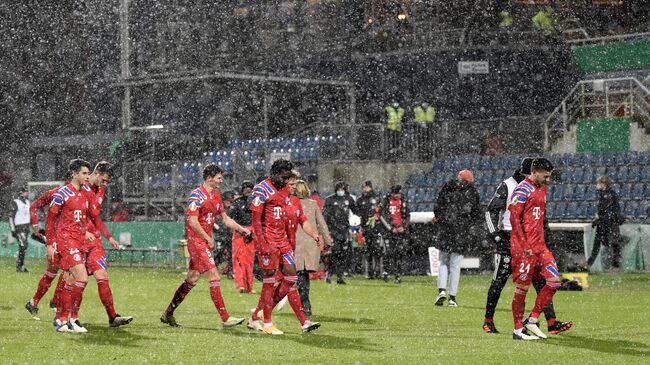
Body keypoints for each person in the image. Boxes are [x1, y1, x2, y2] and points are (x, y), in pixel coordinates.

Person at [482, 158, 572, 335]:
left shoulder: (538, 188)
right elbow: (491, 210)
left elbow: (540, 218)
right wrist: (495, 235)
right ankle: (488, 320)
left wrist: (546, 239)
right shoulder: (509, 186)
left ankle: (550, 322)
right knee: (499, 281)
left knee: (541, 282)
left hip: (532, 241)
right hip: (510, 238)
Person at [160, 164, 249, 328]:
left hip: (204, 241)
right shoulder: (196, 196)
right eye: (219, 178)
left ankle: (168, 313)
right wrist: (208, 237)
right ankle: (225, 318)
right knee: (214, 275)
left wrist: (242, 229)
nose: (221, 181)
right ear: (209, 178)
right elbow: (193, 222)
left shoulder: (216, 195)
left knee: (192, 279)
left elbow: (225, 219)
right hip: (196, 241)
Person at [247, 160, 321, 335]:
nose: (289, 181)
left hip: (284, 243)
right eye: (286, 177)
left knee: (291, 277)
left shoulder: (286, 193)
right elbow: (256, 221)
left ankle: (257, 315)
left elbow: (296, 219)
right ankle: (267, 323)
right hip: (269, 242)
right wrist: (263, 244)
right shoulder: (261, 190)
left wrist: (314, 234)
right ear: (275, 173)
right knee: (269, 280)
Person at [73, 161, 133, 327]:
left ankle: (112, 317)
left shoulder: (100, 190)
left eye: (108, 182)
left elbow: (95, 217)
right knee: (73, 280)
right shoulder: (78, 187)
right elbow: (69, 214)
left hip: (95, 241)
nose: (105, 184)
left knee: (102, 276)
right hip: (77, 240)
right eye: (104, 180)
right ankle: (66, 316)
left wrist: (109, 237)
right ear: (96, 173)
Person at [509, 158, 563, 340]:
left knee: (554, 281)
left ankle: (531, 320)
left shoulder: (543, 189)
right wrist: (524, 245)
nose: (548, 179)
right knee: (522, 288)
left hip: (540, 246)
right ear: (536, 171)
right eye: (545, 176)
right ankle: (517, 330)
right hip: (524, 248)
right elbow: (514, 219)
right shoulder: (522, 189)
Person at [46, 159, 98, 332]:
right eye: (84, 173)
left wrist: (85, 232)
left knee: (70, 279)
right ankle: (73, 319)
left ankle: (61, 320)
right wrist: (50, 243)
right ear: (74, 174)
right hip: (66, 241)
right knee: (82, 278)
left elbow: (82, 218)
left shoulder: (85, 193)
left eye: (87, 173)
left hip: (78, 241)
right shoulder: (62, 193)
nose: (87, 176)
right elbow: (51, 219)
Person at [24, 173, 72, 319]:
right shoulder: (56, 193)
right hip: (56, 238)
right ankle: (50, 302)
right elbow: (34, 207)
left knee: (63, 270)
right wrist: (35, 225)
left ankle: (41, 302)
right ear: (70, 179)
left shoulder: (79, 195)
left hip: (68, 237)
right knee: (63, 269)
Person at [433, 170, 481, 307]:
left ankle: (441, 290)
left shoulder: (447, 187)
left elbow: (437, 207)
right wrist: (468, 226)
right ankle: (452, 298)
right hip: (461, 232)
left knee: (443, 261)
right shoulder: (472, 192)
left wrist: (442, 220)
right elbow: (476, 213)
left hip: (446, 229)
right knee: (455, 265)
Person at [294, 179, 332, 316]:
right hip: (310, 242)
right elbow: (322, 225)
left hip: (295, 242)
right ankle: (305, 302)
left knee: (296, 273)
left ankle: (301, 302)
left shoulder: (291, 203)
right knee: (303, 274)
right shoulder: (313, 204)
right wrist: (328, 242)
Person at [588, 175, 624, 270]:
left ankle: (615, 266)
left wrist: (599, 219)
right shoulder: (602, 194)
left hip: (610, 223)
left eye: (598, 183)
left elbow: (608, 211)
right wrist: (597, 219)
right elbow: (602, 210)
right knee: (599, 244)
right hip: (604, 223)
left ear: (604, 183)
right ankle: (589, 264)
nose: (597, 185)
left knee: (614, 244)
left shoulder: (610, 194)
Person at [323, 181, 356, 284]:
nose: (341, 191)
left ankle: (340, 276)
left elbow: (356, 210)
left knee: (343, 254)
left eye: (342, 189)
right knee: (334, 254)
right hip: (333, 230)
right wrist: (327, 230)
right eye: (339, 189)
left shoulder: (348, 199)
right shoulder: (330, 200)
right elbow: (325, 215)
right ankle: (330, 273)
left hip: (344, 230)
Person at [379, 185, 410, 284]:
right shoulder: (386, 201)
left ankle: (398, 275)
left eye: (399, 193)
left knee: (399, 252)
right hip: (389, 231)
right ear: (392, 193)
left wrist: (403, 227)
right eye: (397, 194)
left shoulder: (403, 201)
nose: (398, 195)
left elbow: (408, 215)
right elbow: (382, 216)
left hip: (400, 231)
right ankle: (386, 271)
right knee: (388, 252)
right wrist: (391, 228)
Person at [229, 181, 257, 293]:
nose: (248, 190)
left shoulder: (256, 202)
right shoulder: (237, 202)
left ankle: (249, 286)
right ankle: (241, 285)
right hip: (239, 232)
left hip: (251, 231)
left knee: (248, 261)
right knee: (238, 259)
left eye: (250, 188)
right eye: (245, 188)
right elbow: (230, 217)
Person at [356, 180, 381, 279]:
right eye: (364, 187)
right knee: (368, 251)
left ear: (371, 187)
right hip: (365, 228)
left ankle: (378, 271)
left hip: (376, 228)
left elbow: (381, 211)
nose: (365, 189)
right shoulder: (360, 200)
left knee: (377, 250)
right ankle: (370, 272)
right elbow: (357, 213)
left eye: (367, 187)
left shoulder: (376, 198)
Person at [10, 186, 31, 272]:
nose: (27, 193)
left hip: (26, 227)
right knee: (23, 246)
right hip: (19, 227)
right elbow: (11, 217)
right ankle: (20, 266)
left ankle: (21, 266)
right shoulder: (16, 202)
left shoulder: (27, 202)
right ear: (22, 192)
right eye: (26, 191)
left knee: (24, 247)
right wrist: (13, 229)